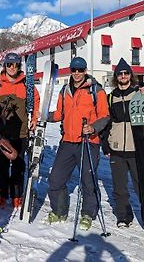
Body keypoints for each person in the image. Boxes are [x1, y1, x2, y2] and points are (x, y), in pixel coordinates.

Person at [47, 56, 109, 230]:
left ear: (85, 71)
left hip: (89, 142)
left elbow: (105, 116)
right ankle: (59, 211)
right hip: (67, 141)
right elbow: (60, 114)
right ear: (70, 70)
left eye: (80, 70)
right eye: (74, 70)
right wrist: (45, 116)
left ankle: (88, 214)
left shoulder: (96, 90)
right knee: (55, 178)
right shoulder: (64, 90)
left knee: (88, 180)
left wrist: (93, 127)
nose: (77, 73)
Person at [102, 58, 144, 231]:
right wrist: (105, 144)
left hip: (136, 148)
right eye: (120, 73)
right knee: (120, 188)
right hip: (116, 149)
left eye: (126, 73)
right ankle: (123, 216)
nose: (123, 76)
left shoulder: (139, 93)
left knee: (142, 185)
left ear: (131, 75)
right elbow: (107, 123)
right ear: (116, 76)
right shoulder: (110, 97)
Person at [0, 52, 40, 209]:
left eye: (15, 65)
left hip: (20, 133)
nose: (12, 68)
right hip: (1, 133)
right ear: (5, 66)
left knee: (18, 166)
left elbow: (35, 101)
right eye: (9, 64)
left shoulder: (26, 85)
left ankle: (16, 195)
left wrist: (34, 119)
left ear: (19, 66)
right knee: (1, 166)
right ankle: (1, 195)